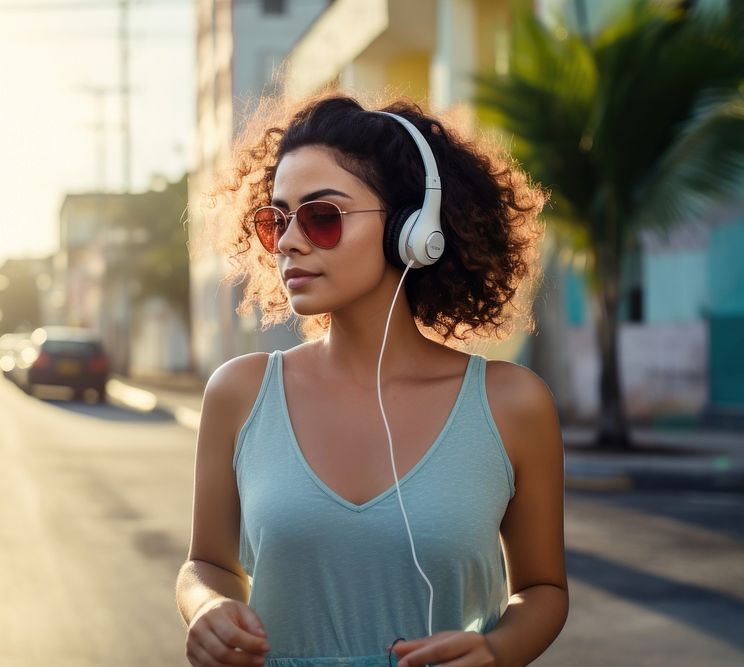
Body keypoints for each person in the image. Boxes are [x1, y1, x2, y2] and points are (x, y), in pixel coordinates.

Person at [175, 93, 568, 667]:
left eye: (321, 216)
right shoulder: (239, 394)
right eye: (276, 219)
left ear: (413, 230)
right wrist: (205, 606)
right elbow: (207, 563)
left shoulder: (512, 404)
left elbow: (543, 590)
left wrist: (496, 651)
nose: (287, 241)